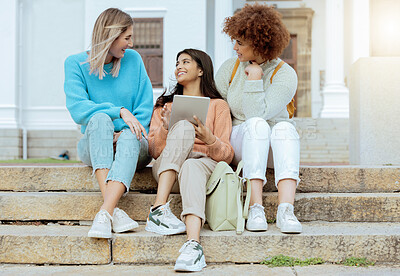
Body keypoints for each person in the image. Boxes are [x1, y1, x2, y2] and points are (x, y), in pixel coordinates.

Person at [64, 8, 153, 239]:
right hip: (94, 142)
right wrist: (120, 112)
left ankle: (106, 212)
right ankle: (113, 210)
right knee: (101, 119)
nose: (131, 44)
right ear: (111, 35)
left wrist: (123, 130)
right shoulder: (75, 64)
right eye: (127, 37)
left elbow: (144, 109)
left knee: (128, 135)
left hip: (133, 142)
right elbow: (78, 109)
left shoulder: (133, 61)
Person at [215, 3, 302, 234]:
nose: (234, 47)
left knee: (285, 128)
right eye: (234, 40)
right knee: (256, 126)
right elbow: (220, 107)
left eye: (240, 43)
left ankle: (286, 210)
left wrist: (254, 79)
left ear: (260, 43)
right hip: (241, 140)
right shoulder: (229, 69)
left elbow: (259, 113)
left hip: (273, 145)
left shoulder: (285, 74)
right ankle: (256, 207)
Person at [147, 49, 234, 272]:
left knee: (192, 165)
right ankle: (158, 209)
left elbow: (227, 155)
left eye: (185, 62)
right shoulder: (164, 105)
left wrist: (209, 139)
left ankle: (193, 245)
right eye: (177, 63)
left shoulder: (218, 106)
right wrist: (166, 129)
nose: (178, 66)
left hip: (202, 166)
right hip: (168, 170)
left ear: (201, 70)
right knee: (184, 126)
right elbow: (154, 151)